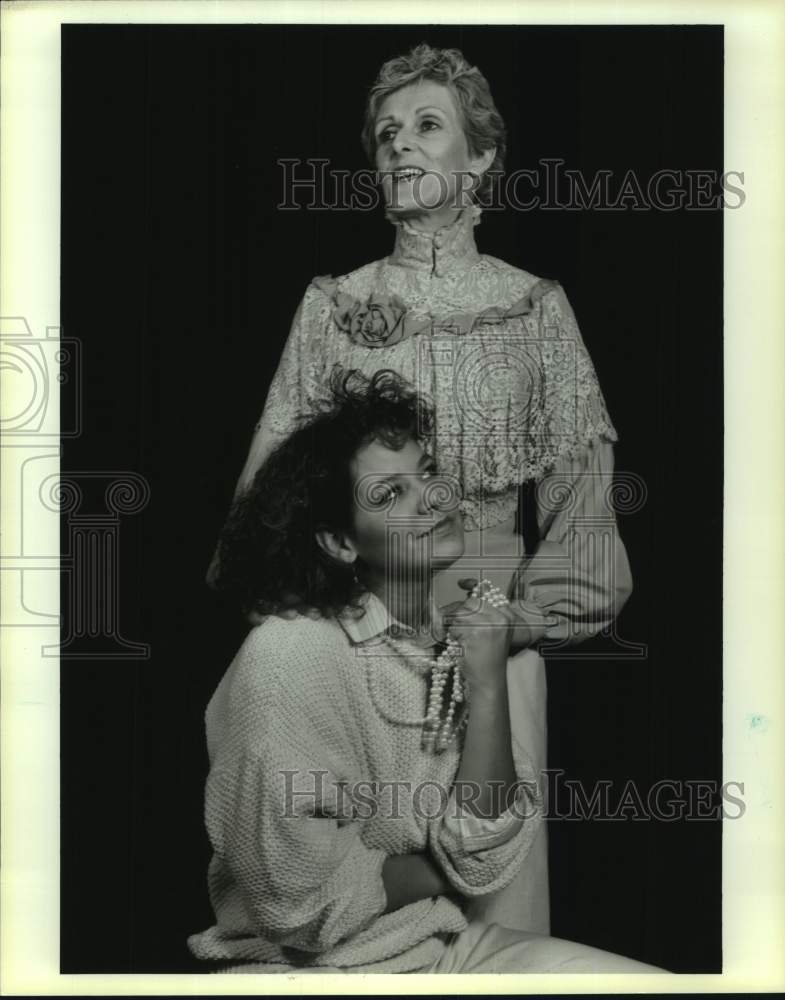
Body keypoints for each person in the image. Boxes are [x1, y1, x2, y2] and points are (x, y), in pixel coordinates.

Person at [210, 43, 632, 935]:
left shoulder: (533, 307)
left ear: (478, 157)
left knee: (498, 924)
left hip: (490, 650)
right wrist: (323, 633)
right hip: (355, 653)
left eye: (427, 127)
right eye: (386, 134)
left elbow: (585, 523)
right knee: (340, 903)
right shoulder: (333, 305)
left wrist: (513, 625)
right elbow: (269, 502)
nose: (401, 146)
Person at [190, 370, 660, 974]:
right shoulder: (289, 655)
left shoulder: (448, 643)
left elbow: (488, 852)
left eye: (429, 472)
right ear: (339, 542)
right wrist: (451, 857)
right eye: (388, 495)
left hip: (435, 950)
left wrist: (488, 676)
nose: (433, 499)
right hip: (305, 970)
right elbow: (293, 901)